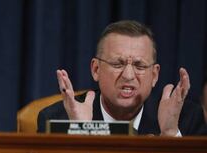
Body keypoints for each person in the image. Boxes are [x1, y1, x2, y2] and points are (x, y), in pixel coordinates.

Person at [37, 20, 206, 136]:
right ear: (96, 69)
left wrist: (169, 134)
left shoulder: (186, 119)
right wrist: (81, 133)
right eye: (118, 64)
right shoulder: (58, 118)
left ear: (154, 75)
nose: (128, 75)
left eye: (139, 66)